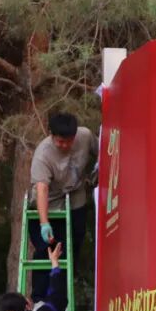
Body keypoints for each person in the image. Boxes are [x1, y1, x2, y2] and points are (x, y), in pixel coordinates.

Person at [28, 112, 98, 293]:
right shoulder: (43, 155)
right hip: (49, 202)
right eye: (60, 141)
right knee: (47, 249)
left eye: (69, 141)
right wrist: (44, 223)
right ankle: (40, 297)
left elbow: (105, 151)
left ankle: (64, 292)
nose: (65, 145)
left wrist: (99, 168)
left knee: (74, 242)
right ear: (52, 136)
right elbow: (42, 189)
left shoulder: (85, 136)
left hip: (75, 194)